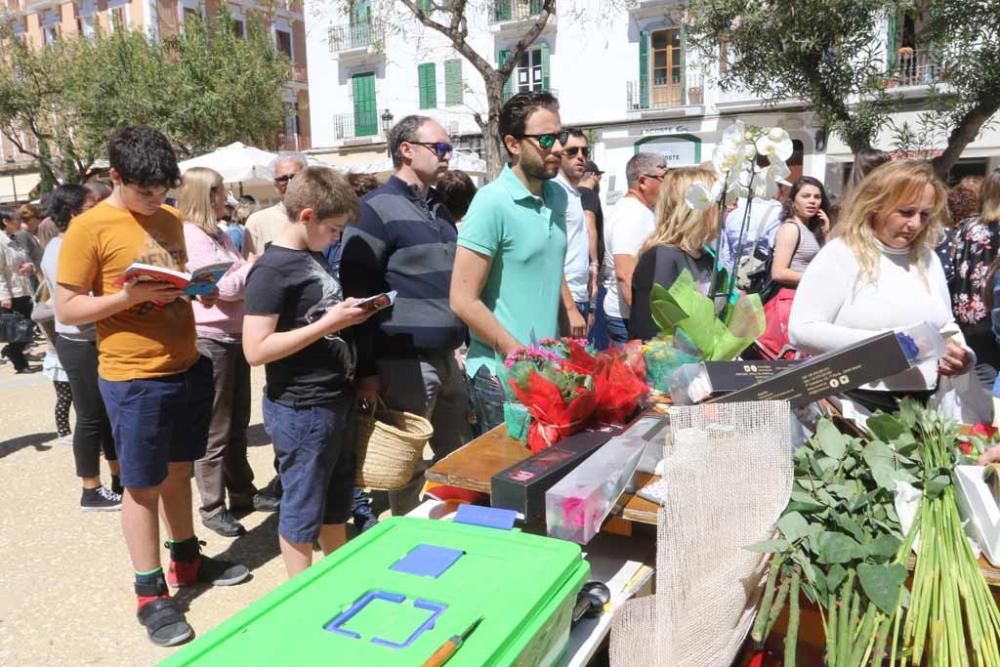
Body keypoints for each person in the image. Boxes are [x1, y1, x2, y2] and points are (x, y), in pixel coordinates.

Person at [55, 126, 249, 647]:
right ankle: (149, 594)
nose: (155, 198)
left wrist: (197, 290)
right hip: (133, 376)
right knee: (141, 487)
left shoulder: (169, 219)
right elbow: (67, 308)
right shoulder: (89, 227)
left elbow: (174, 281)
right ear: (116, 177)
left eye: (163, 188)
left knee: (179, 471)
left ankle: (185, 558)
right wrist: (127, 297)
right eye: (145, 189)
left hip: (186, 364)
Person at [242, 166, 376, 578]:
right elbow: (255, 349)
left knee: (335, 506)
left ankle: (334, 582)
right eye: (333, 228)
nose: (337, 237)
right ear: (307, 216)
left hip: (334, 399)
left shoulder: (311, 255)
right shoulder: (271, 269)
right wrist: (328, 324)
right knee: (301, 512)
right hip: (302, 408)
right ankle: (301, 596)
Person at [341, 115, 472, 515]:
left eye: (450, 148)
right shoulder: (373, 210)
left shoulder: (439, 208)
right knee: (408, 467)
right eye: (441, 148)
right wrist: (366, 371)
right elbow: (358, 294)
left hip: (448, 357)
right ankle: (409, 545)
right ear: (406, 150)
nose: (448, 156)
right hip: (403, 361)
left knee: (461, 457)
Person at [789, 160, 973, 413]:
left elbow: (944, 324)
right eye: (906, 212)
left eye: (924, 214)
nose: (916, 224)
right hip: (854, 405)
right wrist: (889, 346)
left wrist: (962, 356)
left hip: (925, 407)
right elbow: (802, 330)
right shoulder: (841, 254)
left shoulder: (926, 258)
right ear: (875, 205)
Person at [451, 91, 569, 432]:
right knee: (507, 484)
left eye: (559, 136)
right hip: (501, 378)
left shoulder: (557, 196)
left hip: (549, 371)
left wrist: (568, 317)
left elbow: (546, 266)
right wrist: (514, 351)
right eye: (546, 139)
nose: (558, 148)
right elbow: (461, 299)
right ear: (513, 144)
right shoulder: (491, 203)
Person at [178, 167, 258, 538]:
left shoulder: (220, 235)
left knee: (237, 421)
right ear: (204, 194)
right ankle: (212, 506)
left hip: (233, 336)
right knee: (216, 428)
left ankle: (242, 492)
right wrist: (255, 267)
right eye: (219, 191)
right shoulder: (193, 235)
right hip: (211, 338)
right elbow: (225, 287)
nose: (224, 196)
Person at [41, 184, 123, 510]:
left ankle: (119, 477)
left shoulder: (71, 243)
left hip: (91, 339)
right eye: (92, 205)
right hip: (79, 341)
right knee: (90, 417)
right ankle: (90, 488)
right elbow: (77, 302)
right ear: (75, 212)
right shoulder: (61, 249)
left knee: (105, 415)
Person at [628, 168, 719, 341]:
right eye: (717, 200)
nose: (725, 206)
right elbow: (650, 331)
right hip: (670, 363)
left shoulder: (706, 256)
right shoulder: (664, 256)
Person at [757, 176, 831, 359]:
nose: (812, 201)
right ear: (793, 200)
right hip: (788, 304)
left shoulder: (809, 229)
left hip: (801, 301)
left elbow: (827, 262)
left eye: (817, 197)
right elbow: (779, 272)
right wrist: (815, 277)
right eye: (805, 196)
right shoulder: (791, 228)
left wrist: (827, 232)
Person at [940, 168, 1000, 387]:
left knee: (985, 381)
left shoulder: (967, 226)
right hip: (993, 314)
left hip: (968, 317)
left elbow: (954, 265)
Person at [600, 153, 667, 344]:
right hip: (628, 319)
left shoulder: (637, 211)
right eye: (663, 178)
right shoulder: (632, 215)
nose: (667, 185)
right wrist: (643, 325)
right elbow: (625, 274)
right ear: (643, 181)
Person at [554, 129, 594, 335]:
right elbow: (551, 254)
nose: (580, 157)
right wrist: (569, 308)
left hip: (580, 295)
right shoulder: (555, 192)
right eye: (572, 151)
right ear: (559, 154)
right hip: (564, 298)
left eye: (584, 152)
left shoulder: (573, 192)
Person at [243, 153, 306, 259]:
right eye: (283, 179)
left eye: (295, 177)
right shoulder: (257, 222)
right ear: (275, 185)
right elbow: (247, 268)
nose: (290, 183)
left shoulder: (322, 218)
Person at [1, 208, 37, 373]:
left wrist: (30, 266)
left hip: (24, 289)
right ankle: (19, 361)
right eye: (15, 219)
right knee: (19, 328)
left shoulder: (16, 240)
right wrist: (4, 295)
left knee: (28, 325)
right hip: (11, 292)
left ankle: (12, 351)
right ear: (5, 222)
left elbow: (28, 260)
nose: (19, 222)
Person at [578, 160, 608, 347]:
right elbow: (590, 225)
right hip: (588, 267)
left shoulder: (573, 195)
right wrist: (595, 262)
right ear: (593, 176)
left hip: (581, 266)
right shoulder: (588, 195)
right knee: (590, 317)